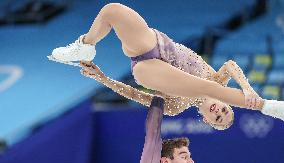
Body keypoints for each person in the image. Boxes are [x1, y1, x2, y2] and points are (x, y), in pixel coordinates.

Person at [48, 3, 284, 130]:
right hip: (155, 43)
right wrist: (248, 88)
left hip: (147, 69)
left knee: (205, 88)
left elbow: (133, 94)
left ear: (206, 121)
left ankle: (269, 106)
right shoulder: (217, 78)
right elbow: (231, 65)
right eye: (225, 111)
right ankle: (85, 45)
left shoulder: (175, 108)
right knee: (112, 11)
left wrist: (102, 78)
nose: (219, 112)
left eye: (218, 119)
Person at [138, 96, 193, 163]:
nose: (191, 161)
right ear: (166, 162)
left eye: (189, 157)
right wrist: (160, 96)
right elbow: (152, 137)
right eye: (184, 157)